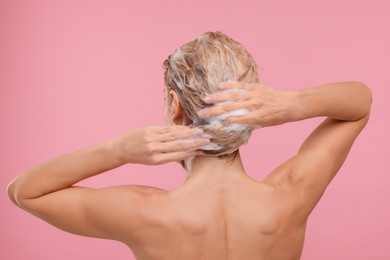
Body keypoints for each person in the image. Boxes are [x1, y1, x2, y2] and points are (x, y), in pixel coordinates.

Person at [7, 32, 372, 260]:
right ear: (254, 105)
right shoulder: (289, 198)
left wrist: (118, 150)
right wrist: (291, 105)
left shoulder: (144, 213)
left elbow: (25, 192)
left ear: (174, 104)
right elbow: (359, 104)